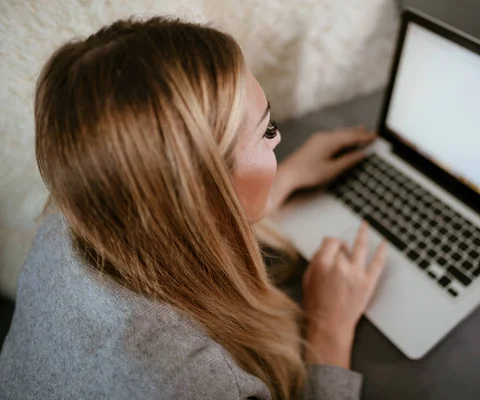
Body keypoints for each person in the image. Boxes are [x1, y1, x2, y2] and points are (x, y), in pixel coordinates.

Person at [0, 17, 387, 400]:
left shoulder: (65, 226)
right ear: (201, 194)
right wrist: (329, 328)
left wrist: (277, 181)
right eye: (267, 131)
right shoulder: (189, 382)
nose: (280, 137)